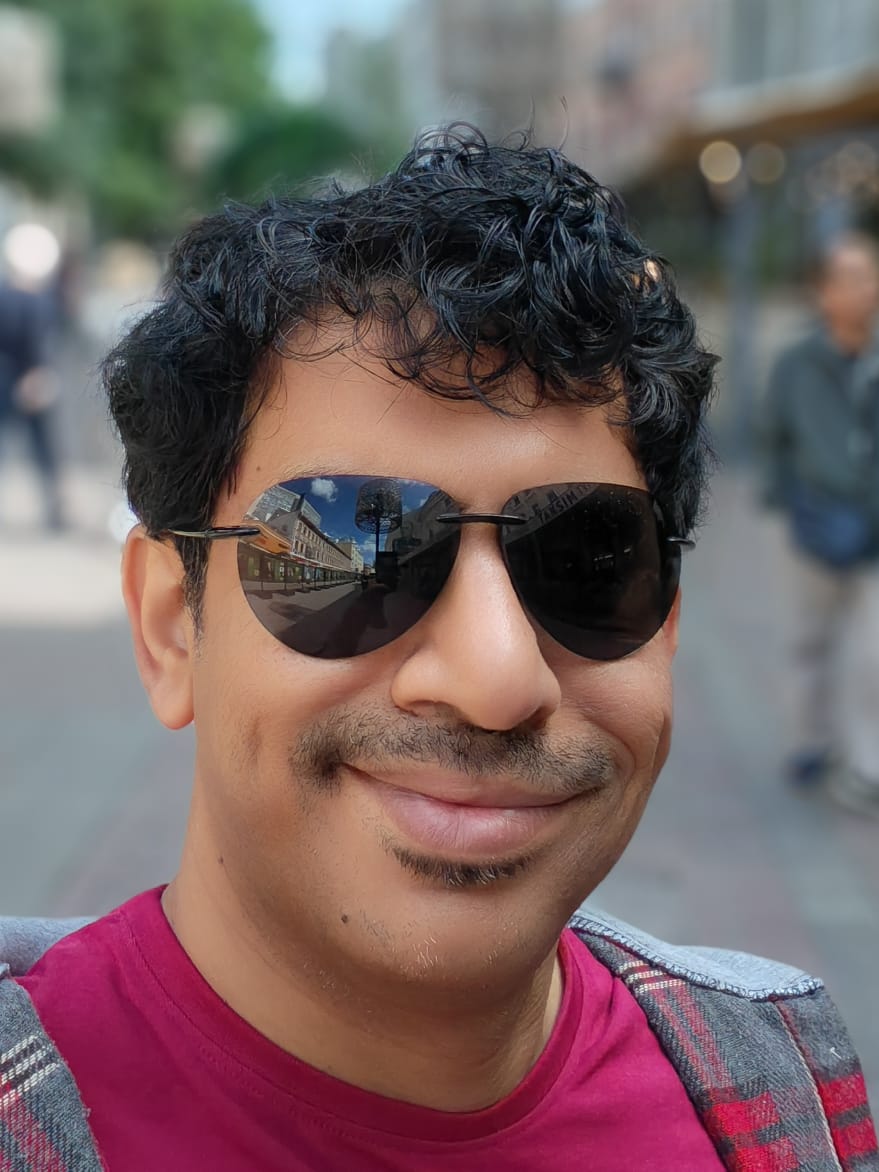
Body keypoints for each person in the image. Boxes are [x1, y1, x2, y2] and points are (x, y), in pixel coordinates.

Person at [1, 129, 876, 1171]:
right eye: (351, 550)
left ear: (669, 622)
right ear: (168, 625)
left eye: (588, 558)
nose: (496, 676)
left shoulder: (786, 1085)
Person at [761, 233, 879, 815]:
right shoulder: (797, 363)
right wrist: (792, 500)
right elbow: (776, 437)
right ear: (824, 291)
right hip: (814, 524)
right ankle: (811, 742)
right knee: (810, 639)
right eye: (852, 276)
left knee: (872, 650)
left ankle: (866, 766)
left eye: (871, 274)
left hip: (876, 529)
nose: (867, 287)